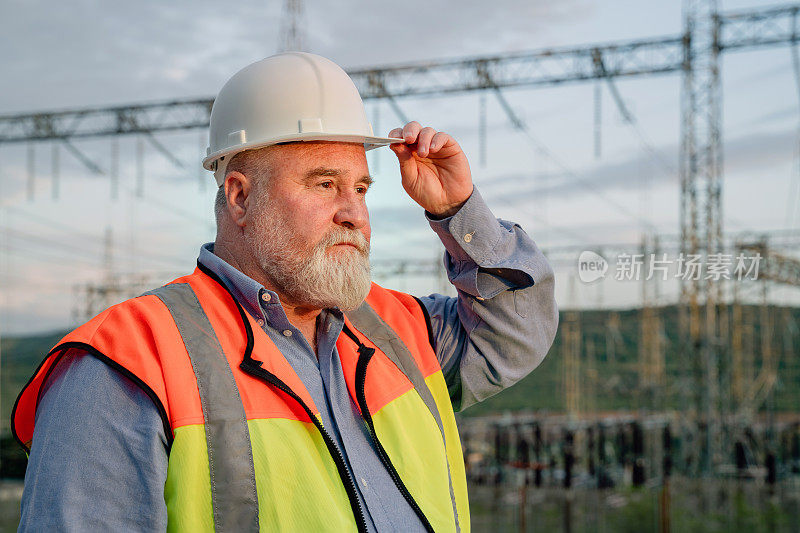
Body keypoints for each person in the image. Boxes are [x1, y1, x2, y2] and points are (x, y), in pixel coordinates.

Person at [12, 52, 558, 532]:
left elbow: (516, 332)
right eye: (324, 184)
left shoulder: (396, 329)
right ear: (241, 198)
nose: (356, 214)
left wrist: (458, 212)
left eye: (361, 188)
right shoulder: (124, 365)